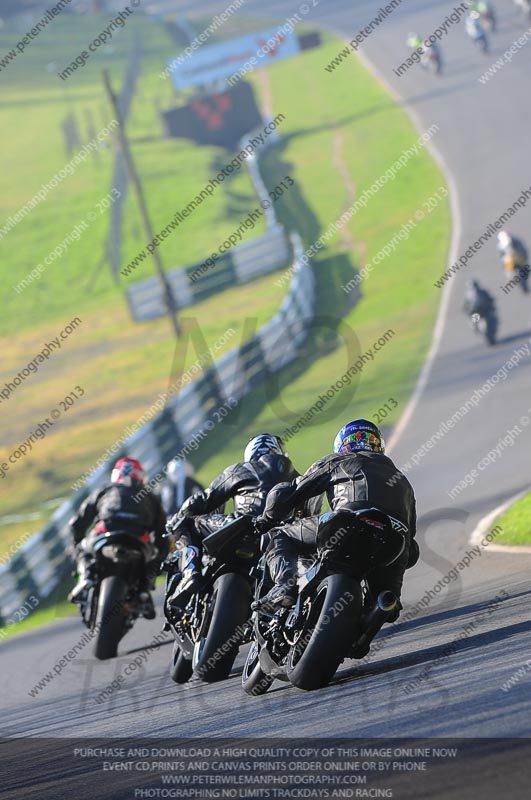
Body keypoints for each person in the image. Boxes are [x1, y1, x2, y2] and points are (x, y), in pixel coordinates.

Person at [254, 419, 418, 624]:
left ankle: (284, 586)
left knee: (279, 535)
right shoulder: (403, 480)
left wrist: (265, 519)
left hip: (348, 521)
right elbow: (412, 545)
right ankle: (375, 613)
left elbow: (290, 493)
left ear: (343, 445)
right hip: (394, 541)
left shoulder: (338, 460)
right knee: (386, 608)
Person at [165, 434, 308, 610]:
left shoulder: (242, 469)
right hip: (280, 538)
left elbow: (205, 499)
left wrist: (178, 516)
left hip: (241, 525)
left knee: (185, 522)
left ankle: (190, 573)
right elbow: (306, 518)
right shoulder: (299, 478)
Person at [69, 457, 168, 619]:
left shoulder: (105, 489)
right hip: (138, 541)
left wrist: (76, 542)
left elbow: (76, 524)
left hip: (105, 534)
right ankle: (144, 589)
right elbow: (162, 535)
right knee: (154, 557)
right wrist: (159, 559)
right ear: (141, 477)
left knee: (82, 547)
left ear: (116, 475)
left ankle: (86, 577)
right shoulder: (151, 497)